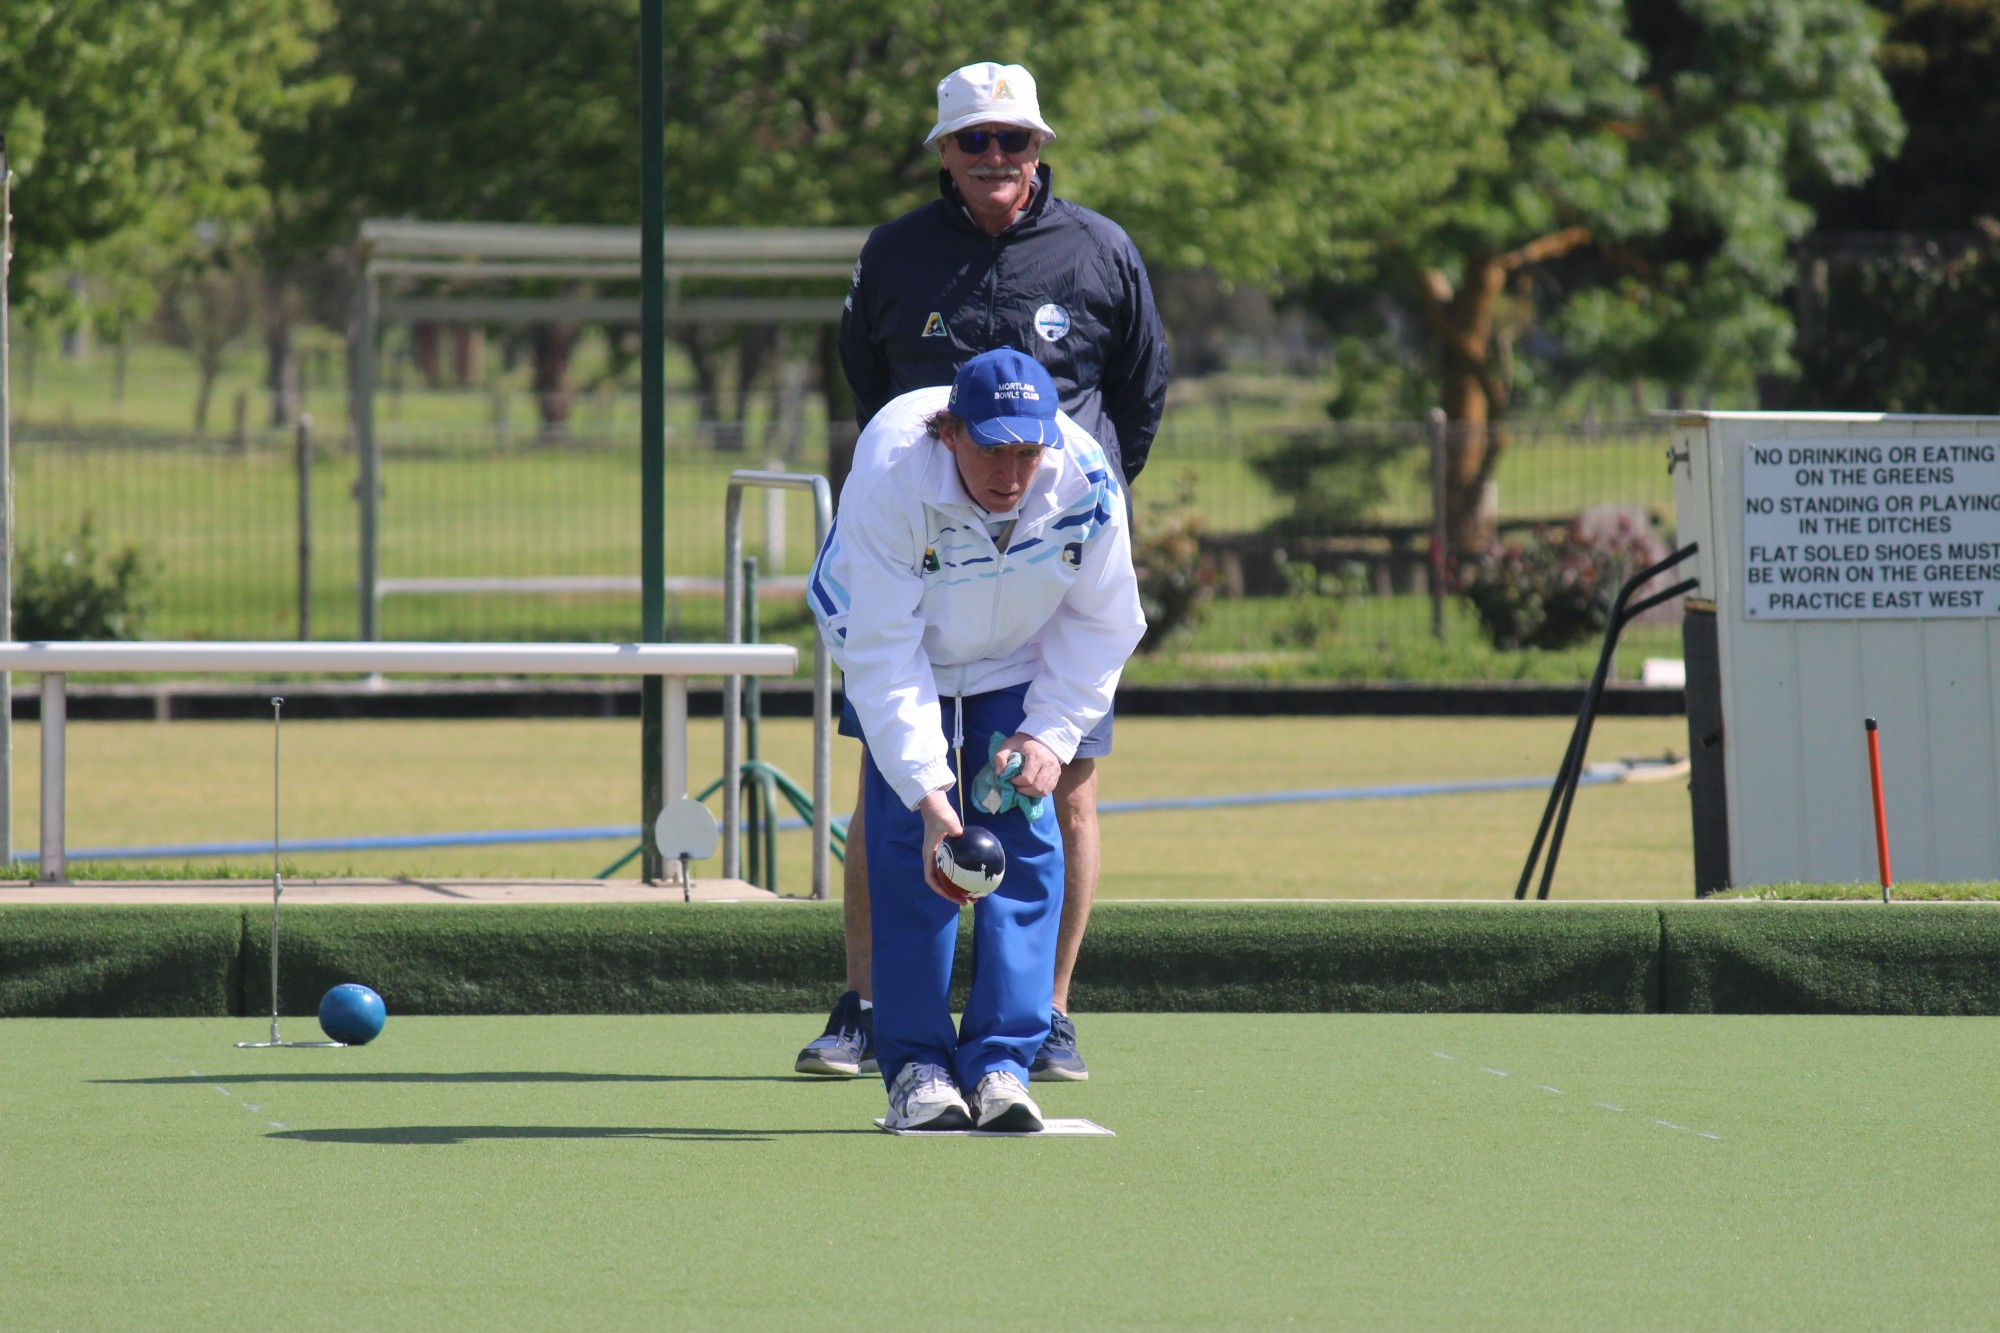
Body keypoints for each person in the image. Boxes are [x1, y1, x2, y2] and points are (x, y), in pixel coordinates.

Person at [797, 60, 1169, 1082]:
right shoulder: (895, 255)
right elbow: (870, 383)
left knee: (1053, 789)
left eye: (1014, 138)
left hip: (1048, 567)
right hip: (911, 559)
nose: (996, 157)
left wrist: (1054, 520)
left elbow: (1137, 393)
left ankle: (1040, 1015)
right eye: (974, 141)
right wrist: (954, 496)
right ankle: (874, 1009)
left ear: (1039, 146)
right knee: (898, 785)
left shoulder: (1101, 252)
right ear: (944, 154)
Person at [806, 347, 1145, 1130]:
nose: (1012, 472)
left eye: (1027, 450)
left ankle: (1000, 1061)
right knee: (909, 837)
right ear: (950, 432)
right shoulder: (894, 474)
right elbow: (886, 655)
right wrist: (930, 795)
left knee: (1025, 827)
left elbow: (1104, 623)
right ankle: (919, 1065)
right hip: (898, 632)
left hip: (1020, 646)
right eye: (992, 448)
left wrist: (1049, 735)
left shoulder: (1086, 477)